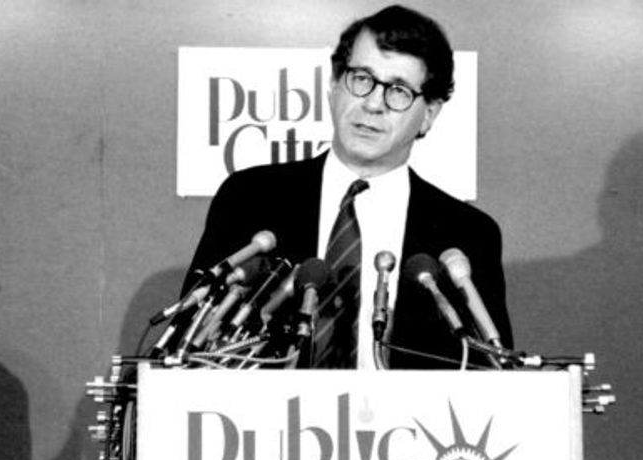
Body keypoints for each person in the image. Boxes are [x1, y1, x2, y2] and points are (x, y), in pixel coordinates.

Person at [182, 4, 512, 369]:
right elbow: (191, 344)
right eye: (361, 79)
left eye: (399, 90)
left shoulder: (468, 234)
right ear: (334, 84)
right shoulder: (250, 198)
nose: (372, 103)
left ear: (429, 114)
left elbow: (490, 375)